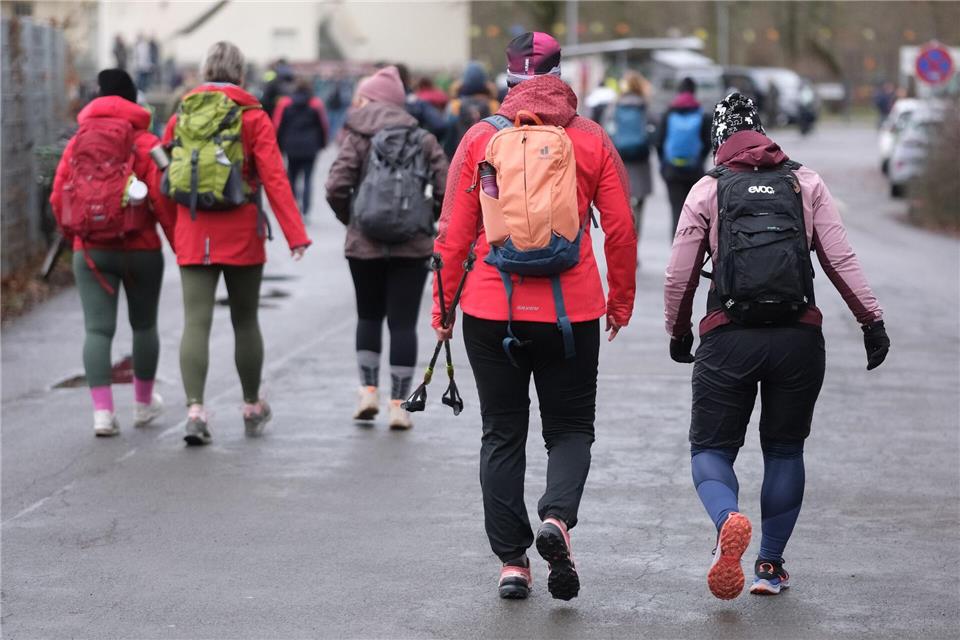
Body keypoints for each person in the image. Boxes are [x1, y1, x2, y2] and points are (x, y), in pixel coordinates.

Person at [434, 32, 637, 601]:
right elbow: (620, 229)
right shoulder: (591, 139)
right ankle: (557, 519)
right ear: (558, 72)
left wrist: (443, 308)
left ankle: (512, 563)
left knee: (501, 434)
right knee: (570, 429)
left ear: (509, 74)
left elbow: (453, 232)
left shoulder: (479, 138)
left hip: (489, 309)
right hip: (570, 313)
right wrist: (620, 301)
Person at [664, 92, 890, 600]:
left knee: (711, 450)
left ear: (719, 142)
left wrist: (678, 331)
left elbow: (679, 274)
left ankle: (728, 518)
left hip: (728, 338)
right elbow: (840, 259)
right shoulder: (804, 181)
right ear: (764, 133)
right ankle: (769, 566)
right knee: (785, 449)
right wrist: (870, 321)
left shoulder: (708, 189)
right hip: (797, 337)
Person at [161, 41, 312, 446]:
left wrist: (169, 226)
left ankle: (195, 411)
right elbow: (275, 176)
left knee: (196, 321)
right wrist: (295, 234)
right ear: (241, 74)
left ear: (204, 68)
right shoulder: (252, 115)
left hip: (193, 228)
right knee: (245, 320)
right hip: (241, 228)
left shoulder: (184, 111)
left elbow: (166, 166)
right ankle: (250, 405)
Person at [50, 69, 177, 437]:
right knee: (144, 326)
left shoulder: (78, 142)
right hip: (140, 249)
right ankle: (142, 404)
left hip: (90, 250)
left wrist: (74, 233)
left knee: (98, 329)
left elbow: (59, 195)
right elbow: (161, 199)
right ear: (134, 98)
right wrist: (179, 247)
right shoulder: (146, 142)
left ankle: (103, 414)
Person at [325, 65, 448, 430]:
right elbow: (447, 188)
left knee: (367, 316)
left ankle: (367, 393)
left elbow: (335, 185)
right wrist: (426, 218)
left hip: (364, 243)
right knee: (403, 324)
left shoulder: (357, 135)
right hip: (412, 245)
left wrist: (352, 218)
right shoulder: (423, 138)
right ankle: (399, 405)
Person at [654, 77, 711, 237]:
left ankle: (676, 250)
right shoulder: (702, 114)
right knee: (693, 213)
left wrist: (664, 164)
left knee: (676, 211)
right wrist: (699, 159)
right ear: (694, 91)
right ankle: (692, 249)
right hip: (695, 170)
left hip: (672, 170)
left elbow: (658, 142)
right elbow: (708, 142)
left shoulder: (668, 113)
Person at [605, 71, 653, 240]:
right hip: (640, 159)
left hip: (620, 159)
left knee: (623, 202)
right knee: (639, 203)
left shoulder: (615, 105)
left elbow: (606, 130)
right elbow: (653, 130)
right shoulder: (645, 105)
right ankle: (635, 241)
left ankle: (625, 240)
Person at [273, 78, 329, 217]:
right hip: (311, 146)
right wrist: (323, 143)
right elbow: (323, 126)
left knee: (291, 176)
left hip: (291, 146)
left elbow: (278, 124)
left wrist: (279, 145)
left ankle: (293, 206)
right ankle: (306, 209)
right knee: (308, 178)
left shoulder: (285, 103)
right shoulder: (316, 104)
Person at [443, 62, 500, 159]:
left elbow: (448, 140)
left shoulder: (455, 105)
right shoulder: (493, 105)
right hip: (487, 162)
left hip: (461, 159)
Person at [395, 63, 448, 143]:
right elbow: (439, 125)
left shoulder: (382, 105)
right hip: (415, 149)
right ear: (407, 79)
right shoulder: (418, 102)